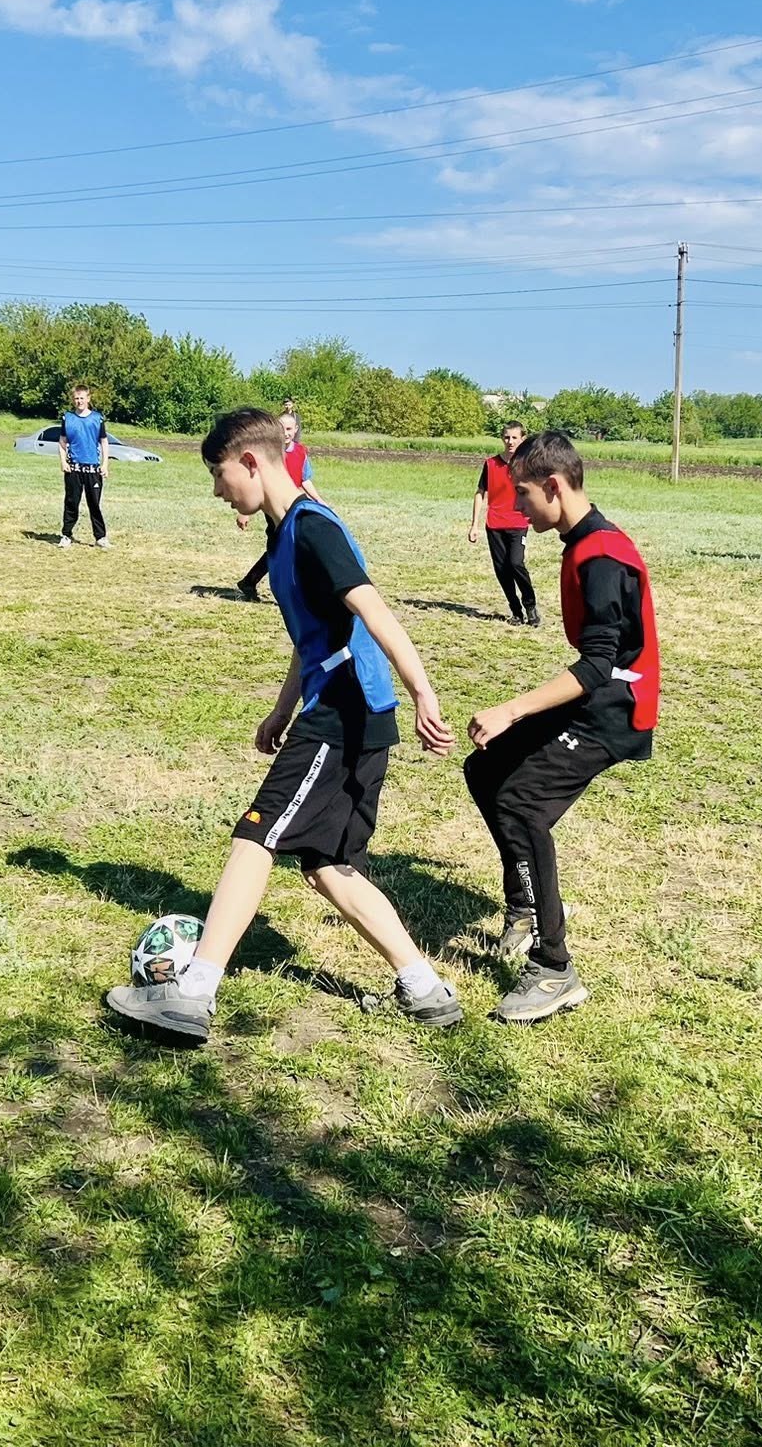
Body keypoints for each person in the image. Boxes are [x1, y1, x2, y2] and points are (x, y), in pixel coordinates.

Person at [105, 408, 461, 1044]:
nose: (217, 491)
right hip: (345, 709)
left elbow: (374, 611)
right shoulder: (281, 534)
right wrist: (281, 707)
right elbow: (314, 635)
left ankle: (193, 992)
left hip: (347, 711)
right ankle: (424, 987)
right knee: (328, 864)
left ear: (250, 462)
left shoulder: (314, 528)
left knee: (256, 833)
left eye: (218, 474)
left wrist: (423, 693)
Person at [464, 430, 658, 1024]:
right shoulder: (583, 541)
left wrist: (512, 709)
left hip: (615, 711)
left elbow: (598, 666)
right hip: (597, 698)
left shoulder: (601, 556)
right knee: (486, 768)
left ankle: (554, 968)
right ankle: (525, 906)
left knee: (522, 802)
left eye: (523, 494)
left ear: (553, 486)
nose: (517, 507)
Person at [234, 403, 322, 601]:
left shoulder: (301, 452)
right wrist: (244, 511)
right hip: (273, 507)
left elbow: (304, 480)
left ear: (296, 429)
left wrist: (318, 500)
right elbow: (255, 481)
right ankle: (285, 589)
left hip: (292, 506)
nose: (285, 433)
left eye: (289, 429)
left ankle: (250, 581)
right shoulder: (270, 453)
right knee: (286, 547)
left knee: (285, 547)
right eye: (281, 428)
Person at [469, 421, 540, 625]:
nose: (510, 441)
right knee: (502, 570)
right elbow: (480, 493)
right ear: (502, 438)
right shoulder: (491, 464)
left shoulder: (528, 465)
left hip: (518, 522)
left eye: (514, 438)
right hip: (495, 524)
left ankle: (530, 606)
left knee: (516, 563)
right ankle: (516, 611)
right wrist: (474, 525)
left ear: (522, 439)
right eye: (507, 437)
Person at [56, 383, 111, 549]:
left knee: (94, 504)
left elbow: (104, 442)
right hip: (74, 469)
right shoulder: (68, 418)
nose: (79, 401)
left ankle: (100, 537)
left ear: (88, 398)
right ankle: (66, 535)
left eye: (82, 398)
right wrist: (63, 462)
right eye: (76, 398)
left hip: (93, 469)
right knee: (71, 502)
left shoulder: (97, 419)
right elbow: (62, 442)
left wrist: (105, 464)